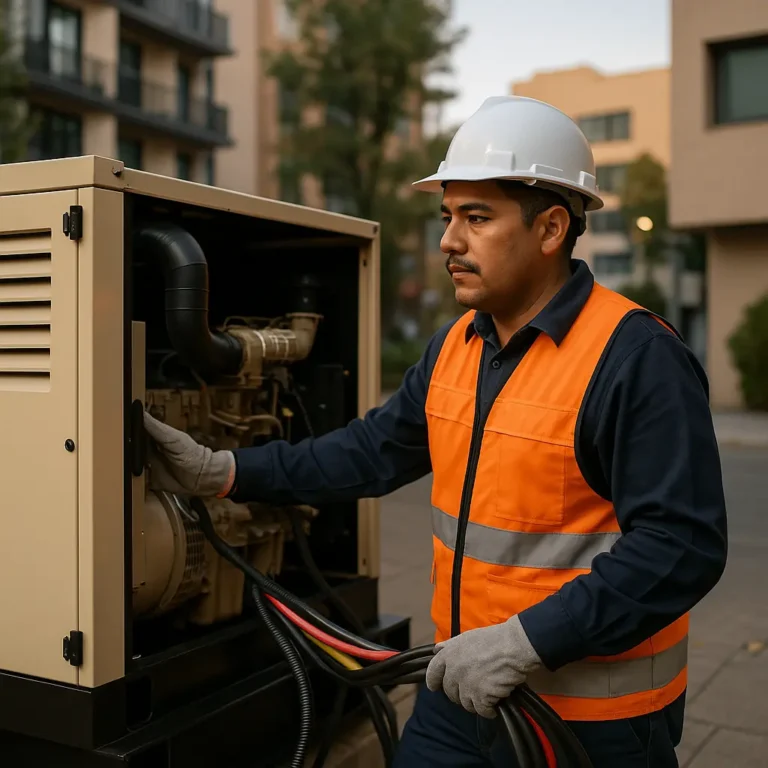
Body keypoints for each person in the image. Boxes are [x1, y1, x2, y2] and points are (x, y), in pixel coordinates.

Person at [143, 96, 728, 767]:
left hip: (592, 723)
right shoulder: (458, 346)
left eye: (476, 218)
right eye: (447, 216)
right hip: (458, 691)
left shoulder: (635, 357)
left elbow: (681, 546)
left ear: (551, 228)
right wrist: (228, 472)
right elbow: (370, 451)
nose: (448, 240)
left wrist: (523, 643)